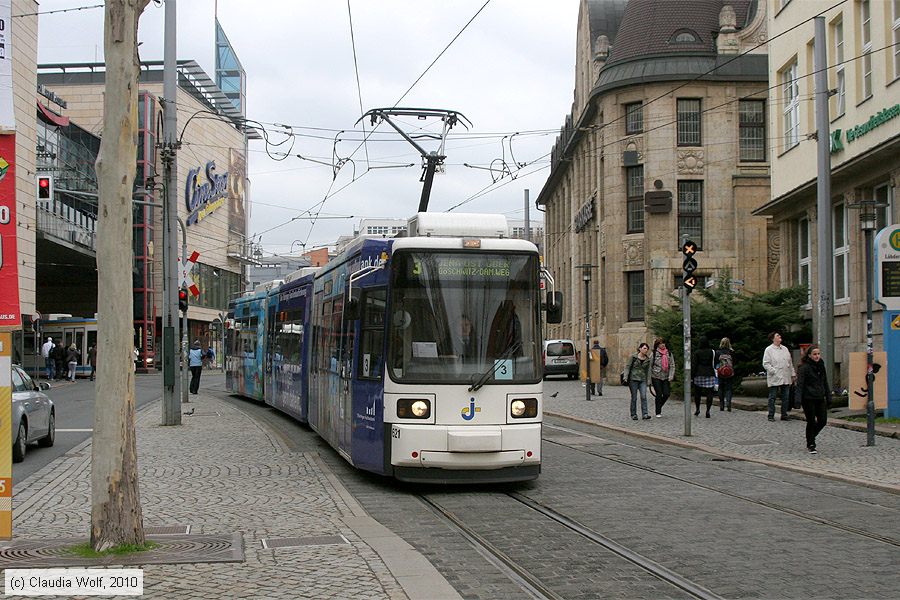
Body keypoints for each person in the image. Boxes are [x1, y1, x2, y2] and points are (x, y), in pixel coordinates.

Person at [796, 344, 829, 454]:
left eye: (818, 354)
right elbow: (800, 384)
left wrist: (828, 396)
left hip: (819, 396)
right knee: (811, 421)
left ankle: (810, 436)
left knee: (823, 420)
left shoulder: (821, 365)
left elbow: (825, 382)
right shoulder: (804, 367)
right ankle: (811, 443)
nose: (817, 356)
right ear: (809, 355)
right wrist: (798, 399)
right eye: (814, 354)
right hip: (808, 398)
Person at [763, 331, 796, 422]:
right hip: (775, 376)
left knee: (786, 397)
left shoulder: (785, 349)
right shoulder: (769, 350)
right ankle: (771, 415)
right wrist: (773, 371)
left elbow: (790, 362)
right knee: (772, 397)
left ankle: (784, 414)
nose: (780, 336)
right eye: (777, 336)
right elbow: (766, 363)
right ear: (773, 339)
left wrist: (793, 374)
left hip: (785, 375)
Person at [624, 343, 652, 420]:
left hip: (642, 379)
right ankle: (633, 414)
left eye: (646, 348)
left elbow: (648, 371)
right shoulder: (633, 357)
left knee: (643, 396)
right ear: (640, 349)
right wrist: (625, 377)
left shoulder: (648, 359)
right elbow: (627, 367)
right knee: (634, 397)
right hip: (633, 379)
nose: (645, 350)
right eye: (644, 348)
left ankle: (645, 414)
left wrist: (649, 380)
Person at [691, 337, 717, 418]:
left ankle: (697, 409)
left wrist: (692, 376)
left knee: (697, 393)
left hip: (699, 373)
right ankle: (708, 410)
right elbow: (714, 362)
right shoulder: (712, 352)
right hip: (709, 373)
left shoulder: (697, 352)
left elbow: (694, 365)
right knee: (709, 393)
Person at [650, 337, 675, 417]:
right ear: (657, 345)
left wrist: (671, 375)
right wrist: (649, 380)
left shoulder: (669, 353)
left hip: (666, 376)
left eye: (663, 343)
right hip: (656, 376)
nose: (662, 345)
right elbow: (650, 366)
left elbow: (672, 365)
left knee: (667, 393)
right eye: (660, 343)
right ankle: (658, 412)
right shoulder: (654, 354)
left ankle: (659, 406)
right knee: (659, 393)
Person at [716, 337, 736, 411]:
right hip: (730, 373)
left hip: (721, 372)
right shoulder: (732, 352)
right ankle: (728, 403)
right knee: (729, 388)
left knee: (721, 388)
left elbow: (716, 362)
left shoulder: (718, 352)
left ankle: (721, 405)